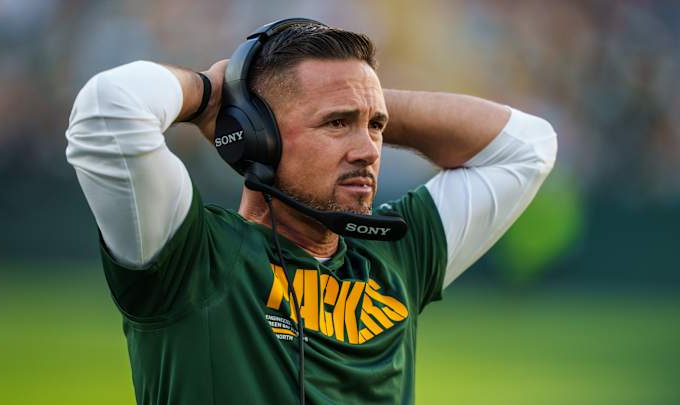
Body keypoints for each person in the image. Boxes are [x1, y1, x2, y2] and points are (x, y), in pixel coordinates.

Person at [65, 21, 557, 405]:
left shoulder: (397, 254)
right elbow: (108, 111)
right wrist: (214, 93)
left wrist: (358, 97)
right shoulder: (191, 258)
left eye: (376, 126)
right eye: (337, 124)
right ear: (258, 136)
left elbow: (529, 146)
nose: (369, 150)